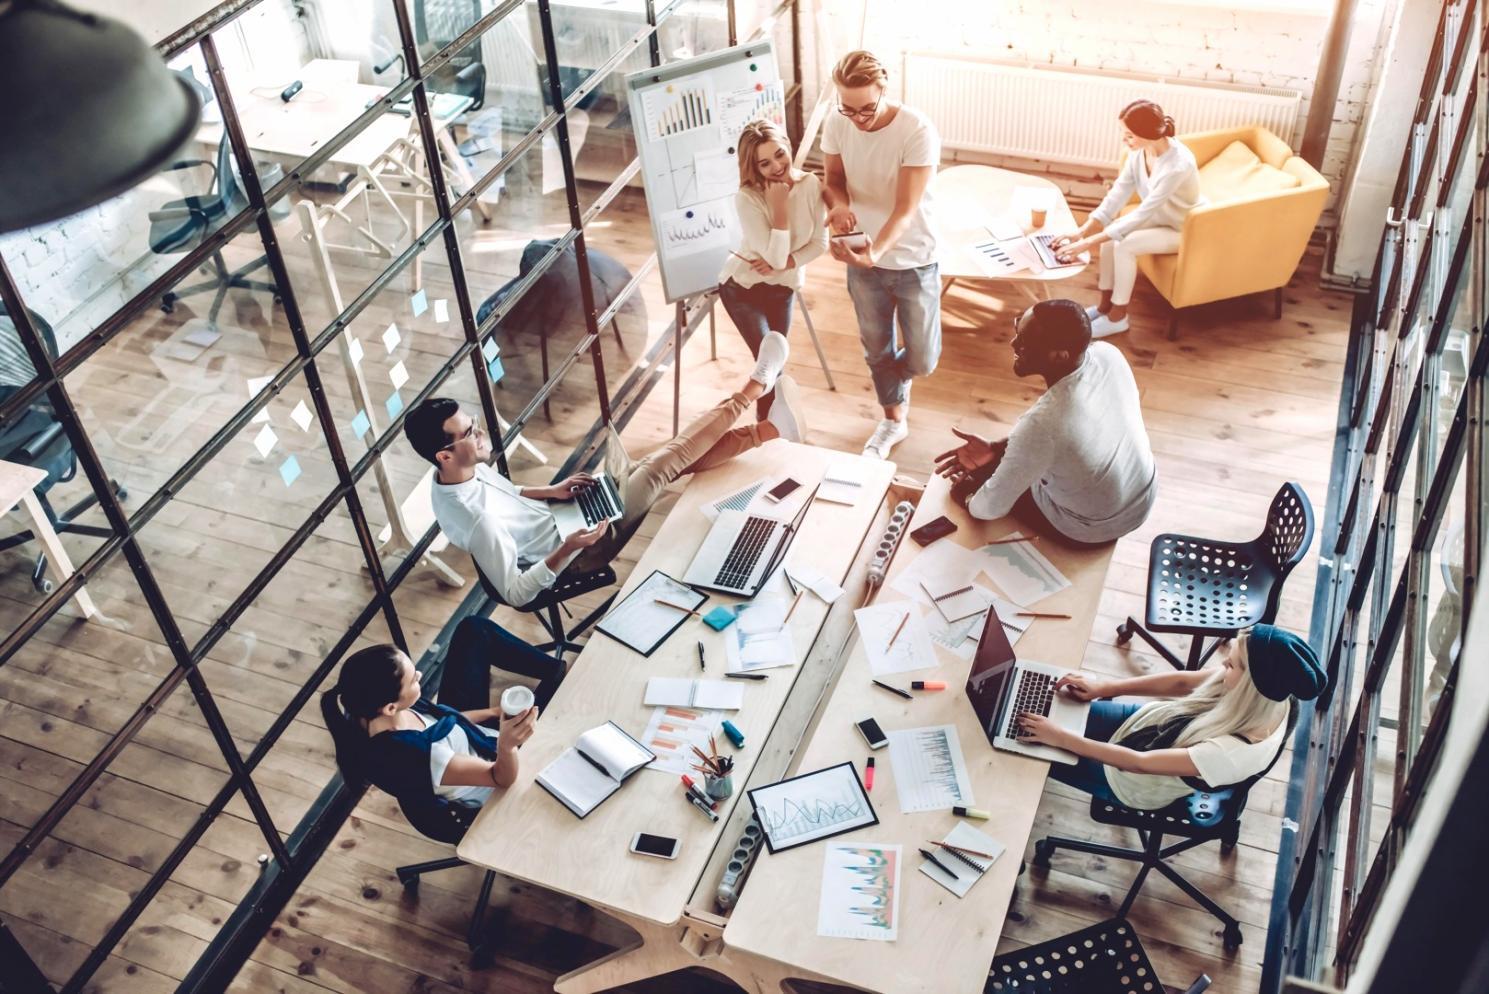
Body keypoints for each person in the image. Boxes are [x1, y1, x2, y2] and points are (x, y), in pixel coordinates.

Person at [407, 334, 795, 606]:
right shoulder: (477, 522)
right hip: (581, 551)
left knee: (660, 464)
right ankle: (755, 387)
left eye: (473, 422)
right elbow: (516, 593)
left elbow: (507, 495)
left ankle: (770, 429)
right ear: (444, 454)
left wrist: (551, 491)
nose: (480, 432)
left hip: (563, 518)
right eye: (469, 433)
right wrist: (570, 547)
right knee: (661, 465)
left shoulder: (452, 477)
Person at [1016, 624, 1324, 810]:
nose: (1222, 666)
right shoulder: (1269, 694)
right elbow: (1182, 683)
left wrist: (1062, 739)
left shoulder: (1229, 753)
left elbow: (1137, 763)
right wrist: (1104, 688)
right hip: (1148, 724)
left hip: (1131, 778)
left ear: (1248, 684)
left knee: (1026, 750)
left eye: (1230, 666)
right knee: (1044, 705)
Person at [934, 299, 1156, 546]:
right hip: (1143, 494)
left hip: (1093, 529)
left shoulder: (1043, 423)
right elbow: (1057, 439)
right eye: (1018, 328)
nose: (1014, 343)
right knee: (1018, 463)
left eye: (1026, 342)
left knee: (970, 488)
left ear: (1060, 355)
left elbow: (988, 510)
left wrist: (966, 496)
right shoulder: (1108, 355)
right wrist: (997, 450)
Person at [821, 49, 942, 459]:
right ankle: (893, 419)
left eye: (867, 108)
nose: (858, 118)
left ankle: (894, 381)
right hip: (862, 256)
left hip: (912, 257)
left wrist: (878, 251)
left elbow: (905, 209)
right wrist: (837, 206)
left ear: (884, 88)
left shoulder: (916, 130)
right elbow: (833, 180)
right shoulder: (837, 121)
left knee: (924, 359)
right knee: (876, 346)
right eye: (848, 109)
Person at [319, 616, 552, 812]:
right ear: (390, 706)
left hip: (472, 742)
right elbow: (500, 777)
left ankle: (555, 672)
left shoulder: (372, 715)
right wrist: (508, 745)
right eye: (413, 680)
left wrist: (492, 712)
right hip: (496, 776)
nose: (420, 675)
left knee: (473, 630)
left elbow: (448, 723)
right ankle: (557, 677)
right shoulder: (425, 755)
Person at [1051, 100, 1204, 339]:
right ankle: (1104, 308)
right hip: (1159, 217)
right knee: (1111, 238)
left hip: (1183, 227)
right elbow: (1117, 195)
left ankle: (1118, 317)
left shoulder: (1178, 165)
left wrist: (1085, 244)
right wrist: (1081, 232)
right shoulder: (1139, 153)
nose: (1124, 139)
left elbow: (1145, 212)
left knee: (1125, 245)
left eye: (1129, 135)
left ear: (1147, 134)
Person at [717, 118, 827, 433]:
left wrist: (787, 262)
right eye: (764, 163)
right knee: (769, 367)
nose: (777, 166)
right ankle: (767, 435)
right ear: (754, 167)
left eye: (779, 154)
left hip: (782, 289)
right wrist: (779, 208)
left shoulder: (810, 185)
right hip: (743, 289)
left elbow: (820, 243)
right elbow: (773, 256)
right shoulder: (748, 198)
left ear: (788, 146)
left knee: (773, 365)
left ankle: (768, 435)